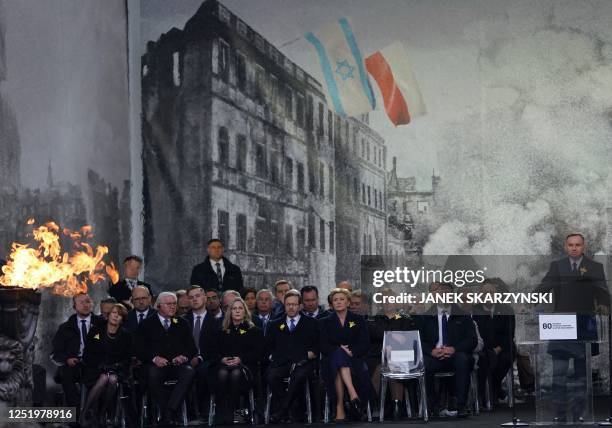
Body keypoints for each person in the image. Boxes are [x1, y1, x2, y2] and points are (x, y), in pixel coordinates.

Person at [535, 233, 610, 423]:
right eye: (571, 245)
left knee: (581, 376)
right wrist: (528, 301)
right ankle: (560, 414)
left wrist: (604, 305)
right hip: (562, 326)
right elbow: (544, 287)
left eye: (578, 245)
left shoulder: (595, 267)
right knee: (559, 373)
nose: (574, 248)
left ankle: (578, 415)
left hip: (584, 327)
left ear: (584, 246)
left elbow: (603, 294)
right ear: (565, 247)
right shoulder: (557, 266)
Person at [134, 292, 197, 424]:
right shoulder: (146, 324)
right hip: (155, 366)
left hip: (176, 365)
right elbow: (139, 349)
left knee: (189, 371)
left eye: (174, 304)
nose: (173, 307)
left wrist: (183, 356)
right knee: (152, 373)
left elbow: (191, 348)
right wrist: (154, 358)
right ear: (159, 306)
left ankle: (169, 410)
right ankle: (167, 412)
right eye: (169, 304)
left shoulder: (181, 323)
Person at [416, 282, 477, 418]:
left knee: (463, 360)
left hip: (455, 354)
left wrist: (454, 349)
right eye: (440, 293)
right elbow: (419, 340)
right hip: (434, 356)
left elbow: (472, 340)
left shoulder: (463, 315)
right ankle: (432, 406)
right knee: (424, 363)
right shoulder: (425, 316)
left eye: (446, 293)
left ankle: (461, 405)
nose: (443, 296)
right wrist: (431, 351)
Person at [266, 290, 319, 423]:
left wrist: (310, 354)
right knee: (271, 376)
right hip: (281, 362)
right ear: (284, 305)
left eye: (294, 304)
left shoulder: (311, 323)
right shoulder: (274, 324)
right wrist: (273, 356)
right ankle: (289, 409)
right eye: (288, 304)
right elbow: (268, 346)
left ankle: (283, 411)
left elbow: (318, 345)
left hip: (303, 363)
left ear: (300, 306)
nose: (291, 307)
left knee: (299, 375)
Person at [319, 288, 371, 421]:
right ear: (331, 304)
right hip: (330, 360)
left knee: (340, 364)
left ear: (348, 302)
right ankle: (353, 394)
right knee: (338, 356)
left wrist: (352, 351)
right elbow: (323, 345)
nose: (338, 302)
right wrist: (340, 350)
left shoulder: (358, 320)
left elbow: (365, 343)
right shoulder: (324, 321)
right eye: (335, 300)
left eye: (342, 299)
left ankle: (340, 407)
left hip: (354, 358)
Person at [210, 297, 263, 424]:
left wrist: (241, 359)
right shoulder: (221, 331)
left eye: (240, 308)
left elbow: (259, 353)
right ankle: (223, 411)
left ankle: (236, 412)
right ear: (230, 312)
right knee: (222, 373)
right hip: (223, 366)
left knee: (235, 373)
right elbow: (212, 352)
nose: (237, 311)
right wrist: (222, 359)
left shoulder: (254, 331)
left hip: (246, 367)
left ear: (245, 311)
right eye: (234, 308)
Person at [367, 288, 417, 420]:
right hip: (378, 355)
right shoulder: (373, 319)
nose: (388, 302)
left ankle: (396, 406)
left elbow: (407, 339)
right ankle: (375, 405)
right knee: (379, 367)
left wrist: (391, 343)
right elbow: (373, 335)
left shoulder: (405, 319)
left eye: (391, 299)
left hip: (400, 355)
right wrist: (392, 337)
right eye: (385, 300)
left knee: (394, 363)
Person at [51, 293, 105, 410]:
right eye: (81, 302)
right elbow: (56, 352)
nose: (85, 305)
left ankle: (93, 411)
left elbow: (107, 345)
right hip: (74, 363)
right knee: (66, 374)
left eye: (87, 301)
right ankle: (75, 412)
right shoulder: (65, 327)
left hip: (95, 364)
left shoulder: (101, 324)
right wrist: (67, 359)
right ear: (74, 306)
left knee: (101, 377)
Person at [79, 304, 131, 427]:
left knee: (112, 379)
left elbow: (127, 358)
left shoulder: (126, 335)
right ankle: (86, 412)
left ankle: (101, 412)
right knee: (103, 378)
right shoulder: (96, 330)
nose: (116, 316)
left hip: (116, 369)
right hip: (95, 368)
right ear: (108, 315)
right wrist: (99, 365)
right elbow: (88, 354)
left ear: (122, 319)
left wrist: (116, 366)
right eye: (113, 313)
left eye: (119, 314)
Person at [473, 278, 515, 405]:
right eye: (485, 293)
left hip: (503, 347)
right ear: (480, 294)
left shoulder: (507, 310)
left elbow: (509, 334)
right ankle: (490, 392)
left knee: (505, 358)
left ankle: (494, 388)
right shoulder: (475, 310)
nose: (488, 295)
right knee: (485, 360)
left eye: (491, 292)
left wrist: (498, 349)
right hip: (484, 348)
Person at [184, 286, 222, 411]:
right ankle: (185, 411)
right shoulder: (182, 321)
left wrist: (200, 358)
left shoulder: (217, 322)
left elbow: (217, 348)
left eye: (198, 296)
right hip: (184, 359)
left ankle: (201, 410)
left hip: (207, 360)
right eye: (191, 297)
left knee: (204, 370)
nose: (194, 299)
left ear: (205, 298)